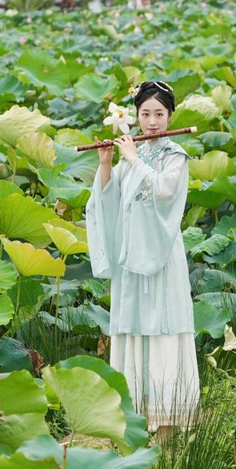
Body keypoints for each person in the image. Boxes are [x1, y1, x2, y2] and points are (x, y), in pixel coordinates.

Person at [85, 81, 199, 435]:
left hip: (162, 257)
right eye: (145, 114)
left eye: (159, 114)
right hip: (130, 259)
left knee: (162, 328)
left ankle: (166, 425)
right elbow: (109, 203)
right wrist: (107, 166)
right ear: (134, 117)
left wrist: (133, 160)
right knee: (132, 329)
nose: (152, 121)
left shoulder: (175, 156)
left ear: (170, 116)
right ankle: (134, 421)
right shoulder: (128, 156)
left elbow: (164, 191)